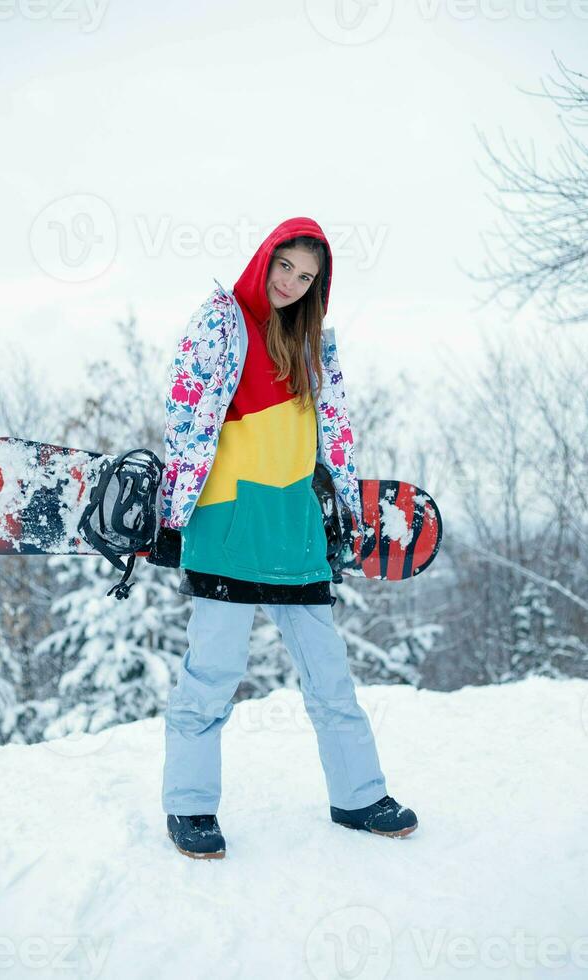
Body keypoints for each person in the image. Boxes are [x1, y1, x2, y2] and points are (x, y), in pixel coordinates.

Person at [158, 216, 418, 860]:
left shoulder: (314, 344)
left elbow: (333, 434)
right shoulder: (221, 321)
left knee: (331, 677)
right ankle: (190, 806)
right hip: (227, 524)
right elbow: (185, 415)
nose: (293, 284)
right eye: (286, 267)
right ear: (265, 258)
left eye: (307, 278)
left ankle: (359, 795)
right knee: (212, 675)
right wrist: (172, 512)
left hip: (295, 531)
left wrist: (346, 516)